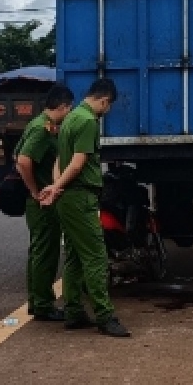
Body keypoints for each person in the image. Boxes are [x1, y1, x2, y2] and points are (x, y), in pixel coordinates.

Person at [39, 78, 131, 338]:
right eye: (109, 105)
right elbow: (78, 164)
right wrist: (58, 187)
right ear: (104, 100)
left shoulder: (70, 118)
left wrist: (56, 186)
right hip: (80, 197)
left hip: (68, 197)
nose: (108, 110)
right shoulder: (88, 121)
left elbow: (60, 159)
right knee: (96, 257)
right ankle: (105, 316)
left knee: (75, 257)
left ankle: (74, 312)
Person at [14, 84, 73, 321]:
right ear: (61, 106)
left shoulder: (41, 125)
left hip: (41, 199)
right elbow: (23, 161)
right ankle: (42, 304)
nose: (70, 113)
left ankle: (38, 301)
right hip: (41, 201)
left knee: (40, 250)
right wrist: (36, 191)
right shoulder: (40, 129)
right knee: (44, 252)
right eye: (69, 108)